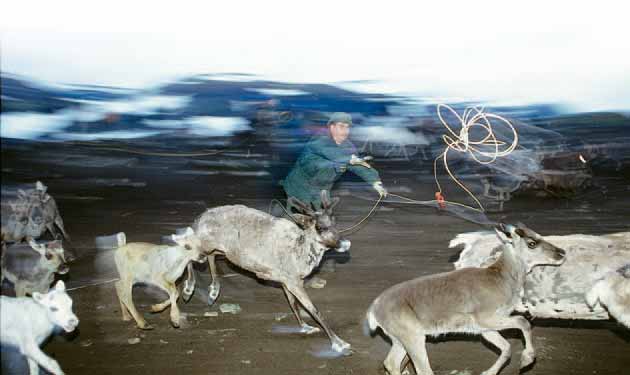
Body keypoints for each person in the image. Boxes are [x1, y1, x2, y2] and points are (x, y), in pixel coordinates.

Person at [281, 112, 387, 284]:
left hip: (321, 191)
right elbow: (333, 154)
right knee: (302, 229)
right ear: (331, 127)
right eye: (340, 126)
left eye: (347, 127)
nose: (344, 130)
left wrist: (375, 182)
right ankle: (300, 274)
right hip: (300, 188)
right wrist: (350, 159)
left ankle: (323, 259)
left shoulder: (348, 147)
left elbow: (359, 166)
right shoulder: (319, 141)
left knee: (326, 225)